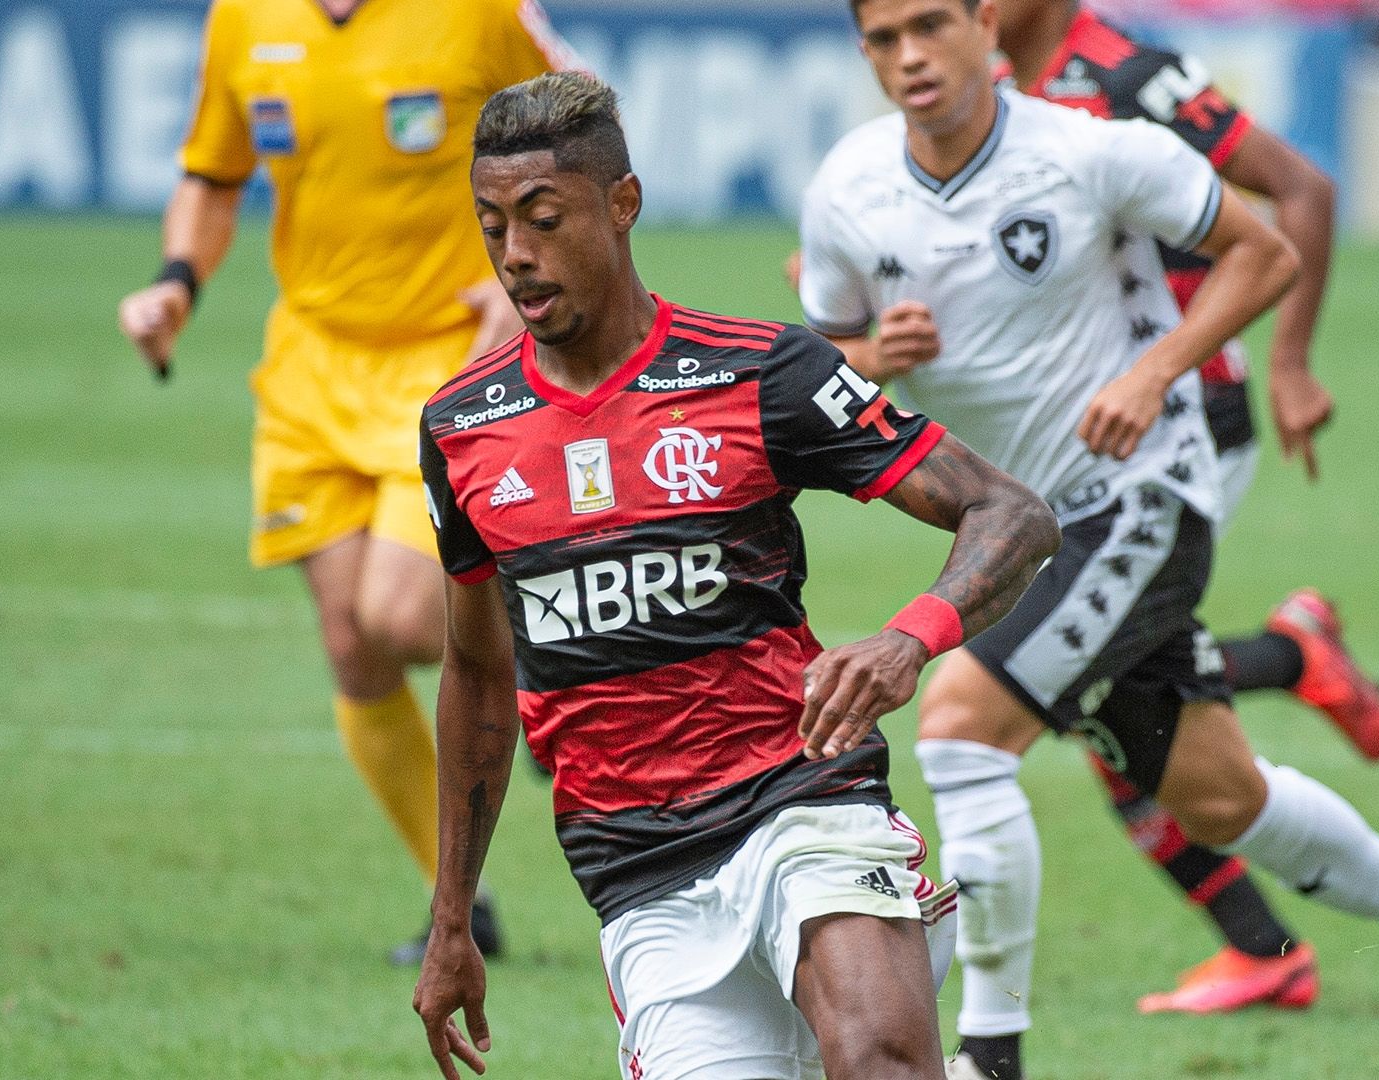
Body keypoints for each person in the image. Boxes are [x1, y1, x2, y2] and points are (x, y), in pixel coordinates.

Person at [797, 2, 1379, 1079]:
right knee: (1220, 795)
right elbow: (820, 351)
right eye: (884, 37)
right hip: (1022, 533)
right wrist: (868, 349)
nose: (910, 57)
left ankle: (989, 1061)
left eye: (931, 24)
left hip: (1141, 499)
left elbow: (1263, 250)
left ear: (982, 23)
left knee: (957, 727)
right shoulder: (848, 185)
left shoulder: (1088, 149)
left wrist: (1153, 370)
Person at [412, 71, 1062, 1080]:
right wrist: (451, 917)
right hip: (637, 866)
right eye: (493, 226)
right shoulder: (464, 430)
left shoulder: (758, 376)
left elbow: (1012, 514)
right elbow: (477, 674)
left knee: (880, 1057)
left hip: (803, 797)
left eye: (544, 219)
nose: (516, 257)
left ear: (621, 206)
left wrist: (911, 637)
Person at [115, 0, 578, 963]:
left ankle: (543, 655)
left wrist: (522, 270)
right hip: (311, 366)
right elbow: (211, 173)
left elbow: (582, 125)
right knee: (351, 646)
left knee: (405, 618)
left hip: (450, 357)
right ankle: (460, 900)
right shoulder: (245, 18)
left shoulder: (478, 11)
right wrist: (175, 282)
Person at [988, 0, 1379, 1015]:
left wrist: (1292, 361)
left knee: (1081, 690)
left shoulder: (1129, 75)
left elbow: (1301, 188)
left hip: (1183, 418)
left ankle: (1265, 946)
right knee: (1104, 699)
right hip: (1086, 436)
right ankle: (1293, 662)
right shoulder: (985, 87)